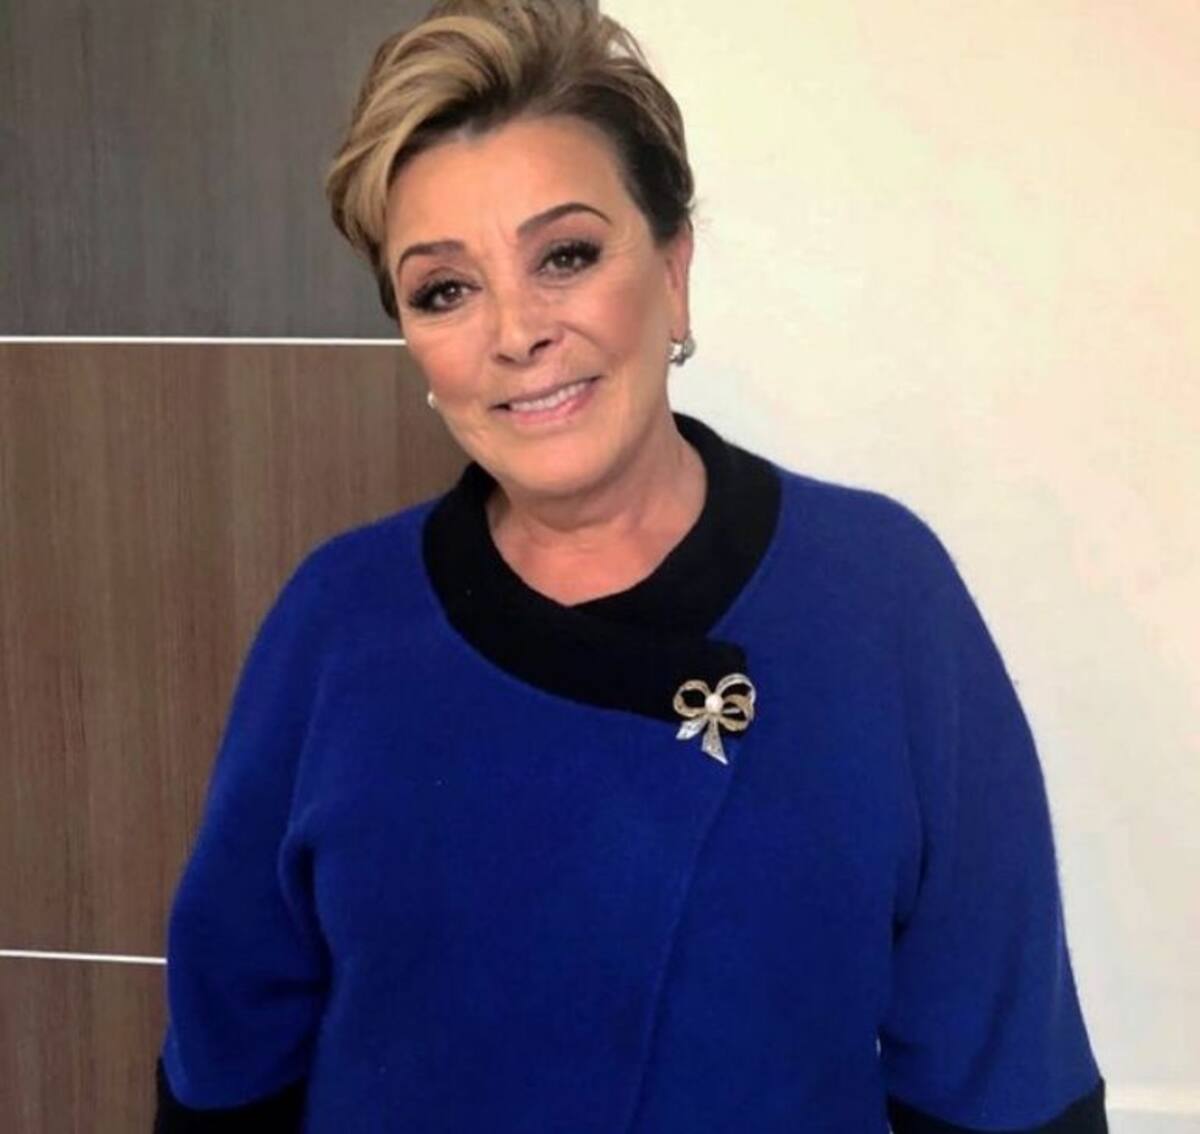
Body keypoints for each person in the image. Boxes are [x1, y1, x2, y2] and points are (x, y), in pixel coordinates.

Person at [154, 2, 1106, 1130]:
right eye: (445, 289)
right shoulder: (334, 621)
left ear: (672, 268)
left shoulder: (880, 596)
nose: (516, 332)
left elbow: (1002, 1075)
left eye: (564, 255)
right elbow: (230, 1057)